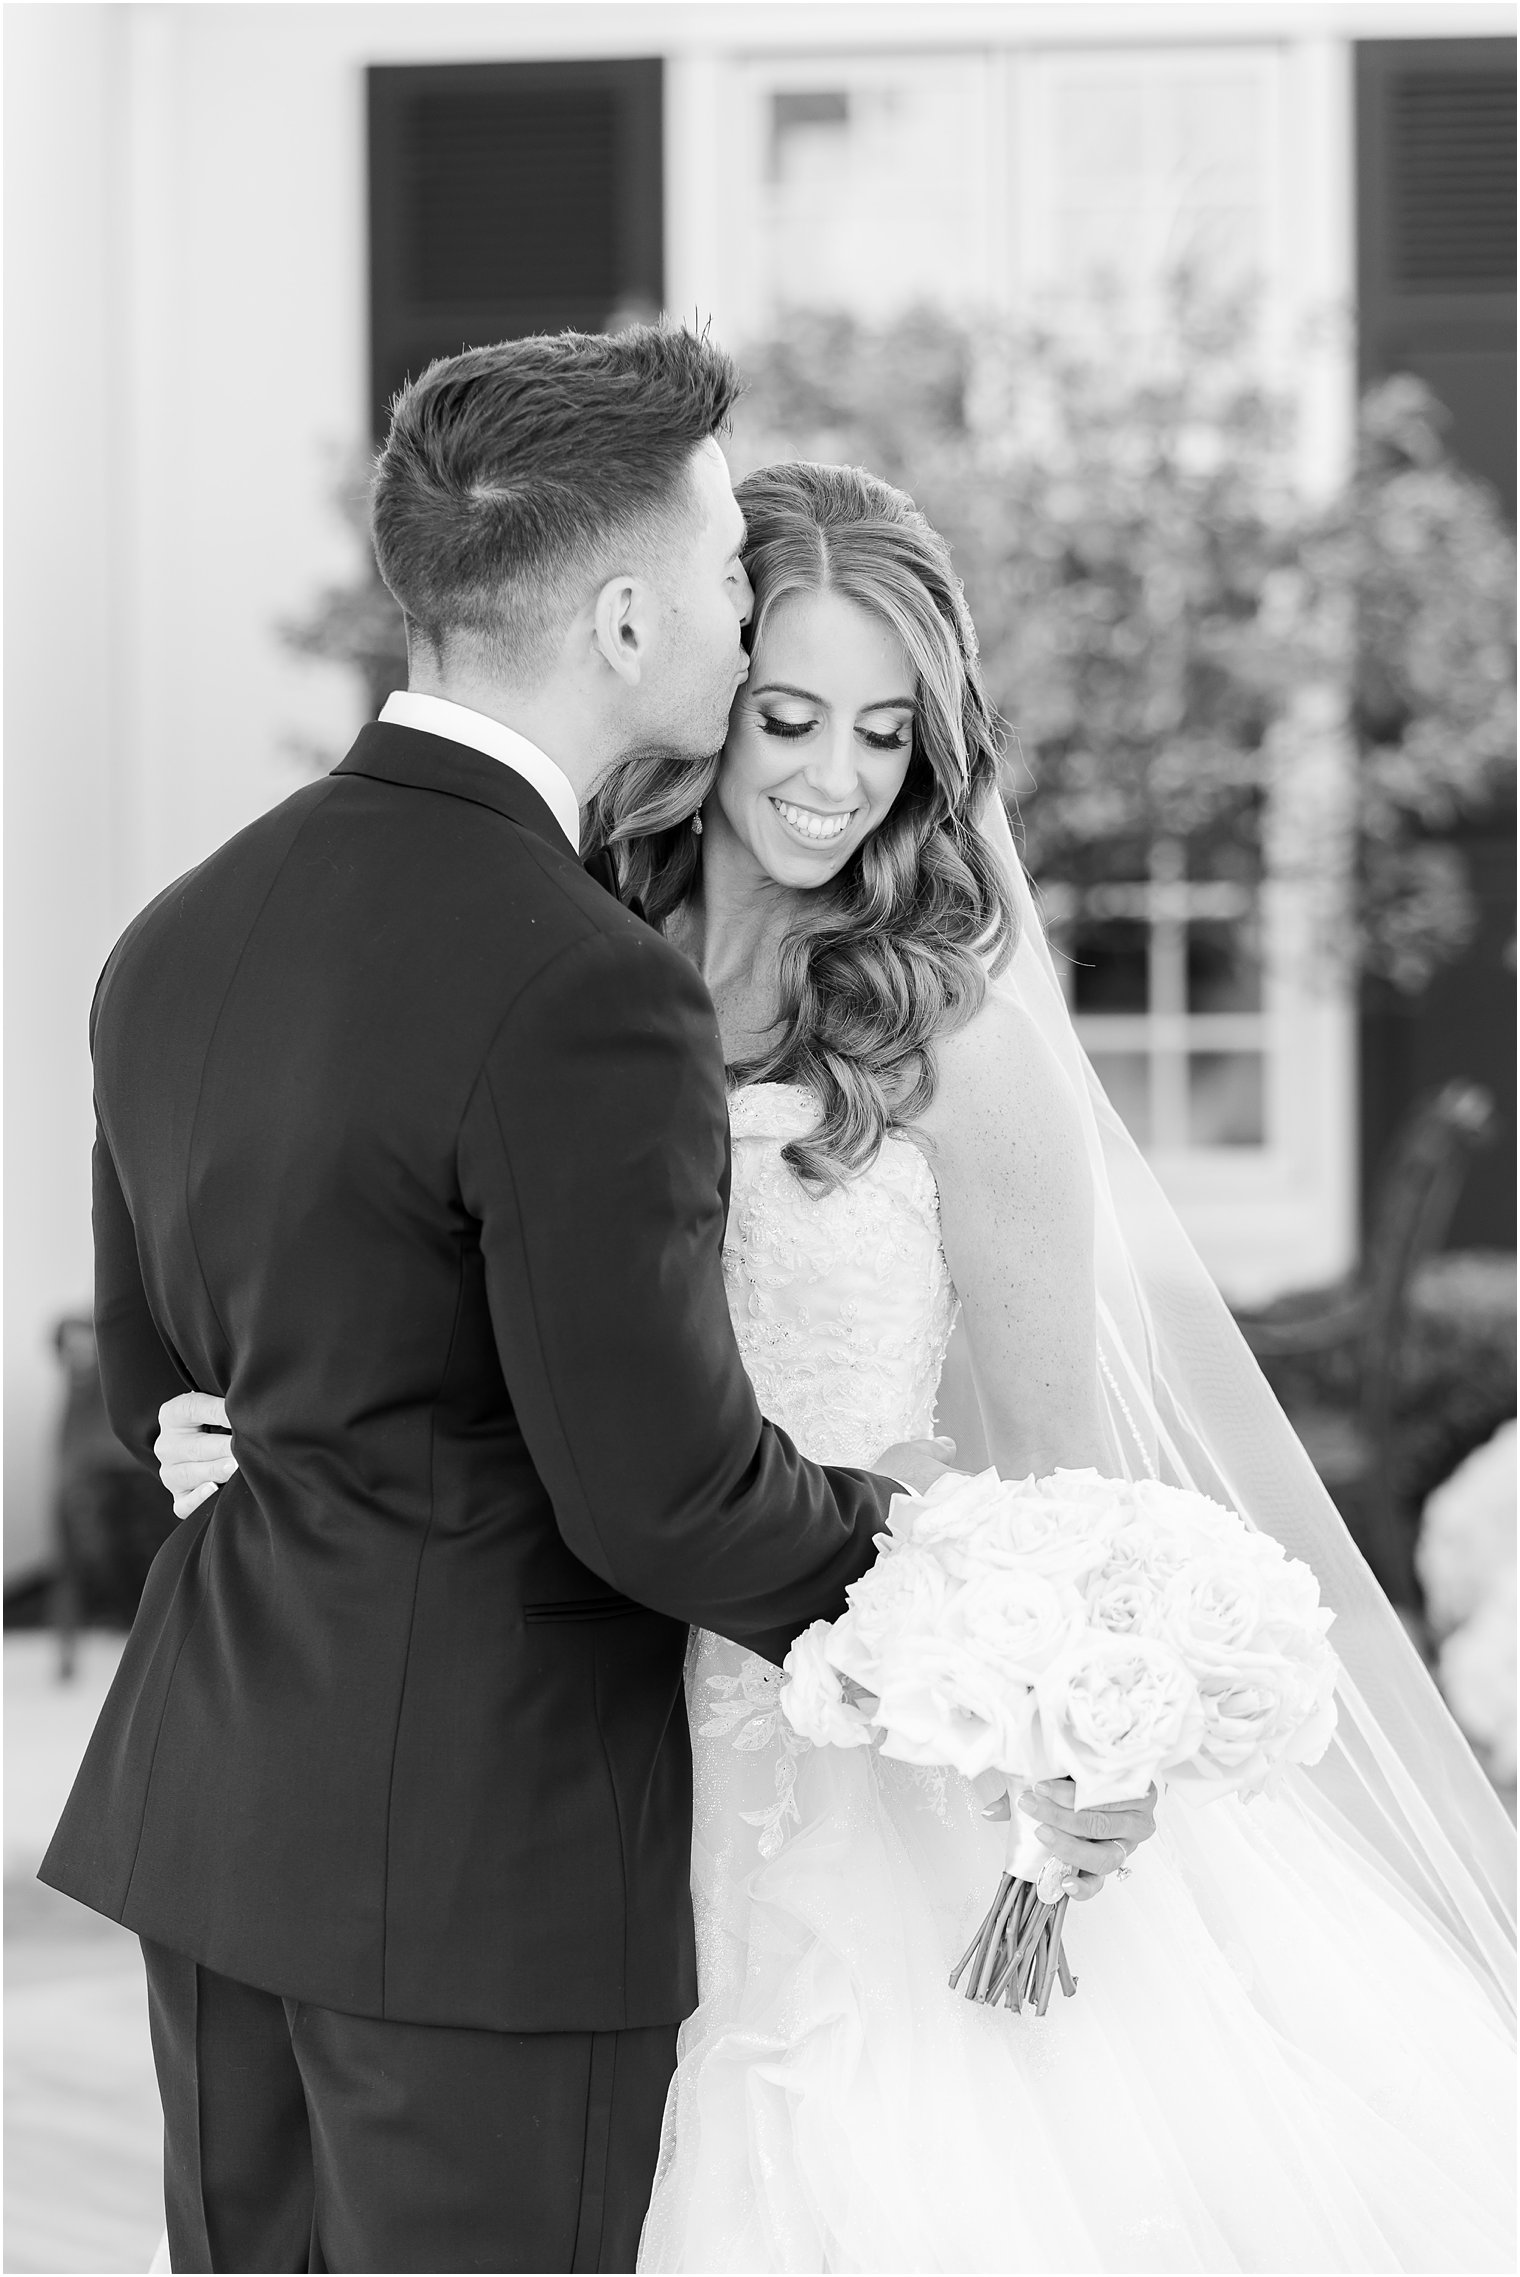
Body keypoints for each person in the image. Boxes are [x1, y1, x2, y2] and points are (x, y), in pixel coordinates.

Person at [160, 456, 1515, 2271]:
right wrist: (253, 1430)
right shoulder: (544, 969)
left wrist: (1057, 1711)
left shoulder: (963, 1049)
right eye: (789, 712)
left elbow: (1055, 1466)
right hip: (544, 1721)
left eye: (888, 733)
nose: (832, 775)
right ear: (707, 691)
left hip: (857, 1738)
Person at [41, 334, 1141, 2277]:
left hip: (234, 1809)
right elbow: (655, 1492)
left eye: (877, 729)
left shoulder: (186, 928)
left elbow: (171, 1362)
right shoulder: (577, 978)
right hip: (500, 1838)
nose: (745, 640)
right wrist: (954, 1577)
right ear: (629, 614)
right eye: (731, 586)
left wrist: (233, 1436)